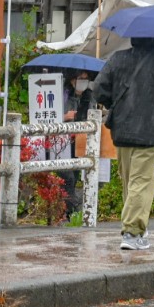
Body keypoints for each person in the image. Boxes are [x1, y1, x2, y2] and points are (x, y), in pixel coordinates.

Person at [92, 37, 154, 251]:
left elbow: (99, 89)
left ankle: (136, 228)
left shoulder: (118, 59)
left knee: (130, 183)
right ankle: (132, 232)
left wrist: (118, 104)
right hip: (150, 131)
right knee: (141, 182)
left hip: (122, 130)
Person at [60, 69, 95, 221]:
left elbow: (93, 115)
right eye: (80, 78)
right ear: (72, 80)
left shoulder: (89, 96)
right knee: (67, 176)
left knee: (76, 175)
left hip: (81, 140)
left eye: (86, 79)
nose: (83, 82)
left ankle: (72, 211)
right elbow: (51, 115)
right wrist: (66, 116)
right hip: (62, 141)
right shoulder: (63, 94)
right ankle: (68, 210)